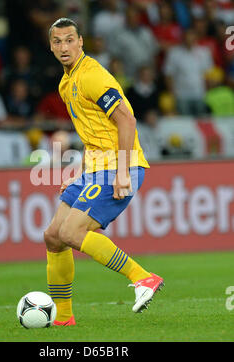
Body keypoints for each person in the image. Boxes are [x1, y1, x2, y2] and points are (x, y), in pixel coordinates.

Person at [44, 17, 164, 326]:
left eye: (70, 40)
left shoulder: (93, 76)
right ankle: (63, 318)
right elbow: (94, 133)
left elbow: (127, 120)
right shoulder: (66, 82)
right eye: (57, 42)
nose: (64, 47)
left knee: (72, 232)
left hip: (118, 167)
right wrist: (79, 174)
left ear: (81, 42)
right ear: (51, 46)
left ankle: (143, 277)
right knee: (54, 236)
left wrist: (122, 171)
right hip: (95, 168)